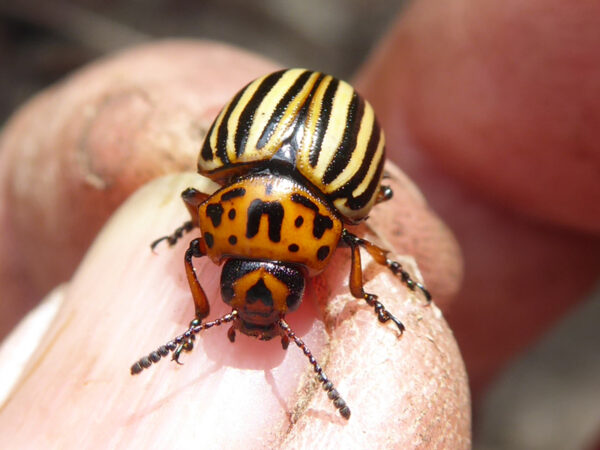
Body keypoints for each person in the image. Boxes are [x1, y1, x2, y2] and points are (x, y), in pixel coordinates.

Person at [1, 0, 598, 447]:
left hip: (292, 131)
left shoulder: (248, 223)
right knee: (354, 229)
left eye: (237, 297)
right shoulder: (308, 228)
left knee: (331, 237)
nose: (261, 309)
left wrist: (202, 297)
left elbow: (200, 214)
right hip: (306, 140)